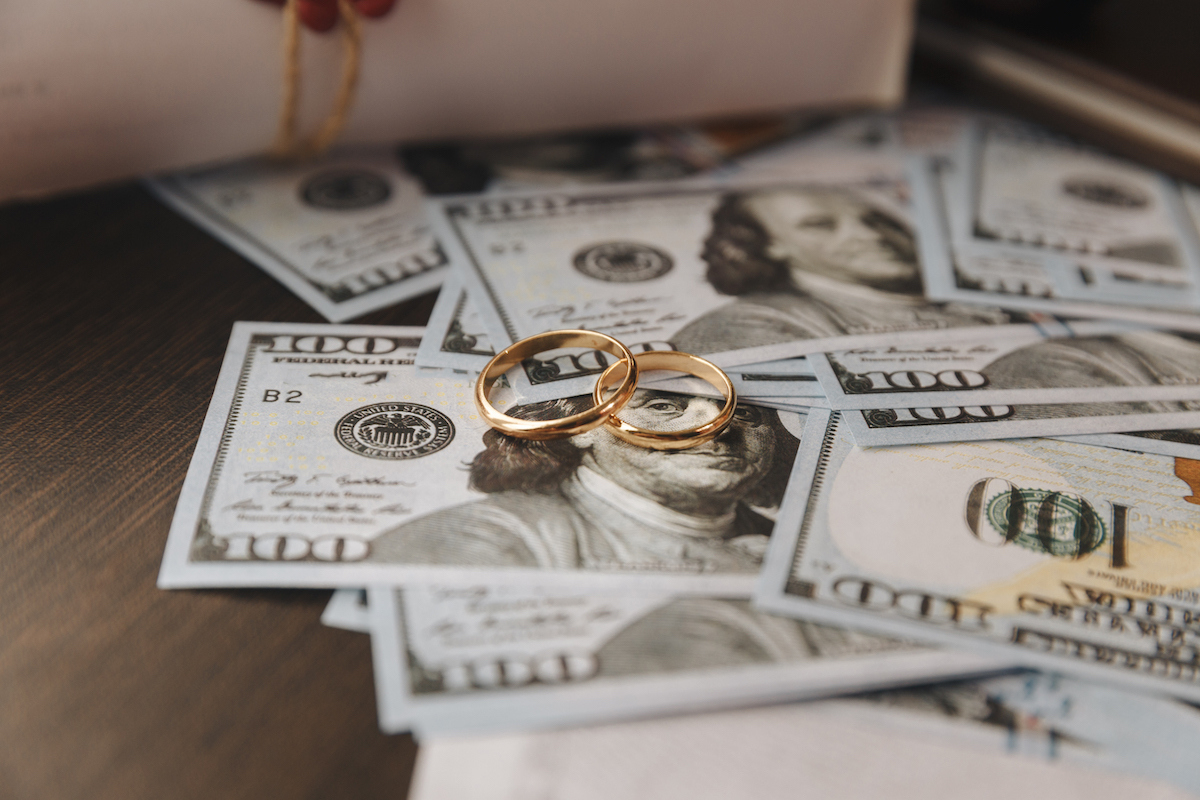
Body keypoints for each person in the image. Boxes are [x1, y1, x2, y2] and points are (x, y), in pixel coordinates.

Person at [367, 391, 799, 573]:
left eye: (744, 413)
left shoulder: (790, 547)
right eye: (663, 406)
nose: (715, 429)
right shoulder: (484, 538)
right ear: (579, 428)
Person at [671, 187, 1018, 354]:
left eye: (875, 220)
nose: (871, 235)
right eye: (820, 225)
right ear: (770, 244)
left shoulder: (978, 298)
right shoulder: (752, 326)